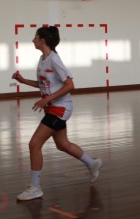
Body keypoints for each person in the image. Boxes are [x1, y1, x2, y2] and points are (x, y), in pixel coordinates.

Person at [11, 26, 102, 201]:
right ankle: (93, 163)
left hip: (60, 109)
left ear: (43, 40)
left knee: (34, 144)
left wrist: (46, 100)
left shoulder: (54, 60)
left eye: (35, 37)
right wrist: (23, 80)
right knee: (63, 144)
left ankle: (35, 188)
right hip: (52, 107)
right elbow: (44, 84)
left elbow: (70, 85)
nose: (33, 40)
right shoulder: (42, 59)